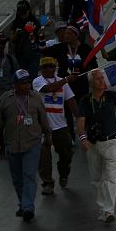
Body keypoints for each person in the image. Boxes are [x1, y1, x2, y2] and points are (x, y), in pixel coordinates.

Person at [77, 68, 116, 223]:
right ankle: (102, 208)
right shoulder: (85, 101)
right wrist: (83, 138)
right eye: (98, 79)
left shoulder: (111, 96)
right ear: (92, 83)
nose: (101, 81)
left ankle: (109, 210)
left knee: (111, 178)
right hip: (93, 144)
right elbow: (81, 121)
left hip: (111, 142)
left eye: (102, 78)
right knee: (96, 179)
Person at [0, 69, 50, 222]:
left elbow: (43, 118)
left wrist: (48, 135)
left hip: (32, 143)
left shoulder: (36, 98)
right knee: (17, 178)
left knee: (29, 175)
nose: (27, 85)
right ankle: (23, 204)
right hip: (11, 144)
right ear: (15, 84)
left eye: (28, 82)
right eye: (23, 83)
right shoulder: (5, 99)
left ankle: (28, 207)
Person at [33, 56, 78, 194]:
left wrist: (81, 119)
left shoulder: (63, 82)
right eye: (44, 67)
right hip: (42, 127)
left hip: (60, 125)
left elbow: (71, 102)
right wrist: (66, 79)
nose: (48, 69)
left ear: (55, 67)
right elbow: (47, 89)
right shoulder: (37, 81)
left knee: (67, 153)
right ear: (40, 69)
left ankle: (63, 174)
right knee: (44, 158)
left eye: (50, 66)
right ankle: (48, 183)